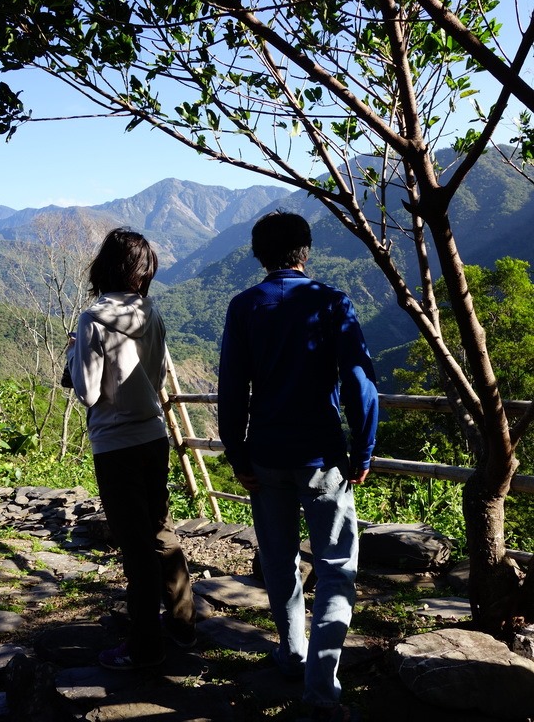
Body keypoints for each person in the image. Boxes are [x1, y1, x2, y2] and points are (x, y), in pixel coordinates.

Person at [217, 211, 378, 722]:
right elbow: (359, 384)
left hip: (265, 456)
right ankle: (321, 684)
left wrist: (238, 454)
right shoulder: (331, 303)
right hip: (321, 457)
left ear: (259, 255)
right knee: (335, 567)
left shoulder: (243, 307)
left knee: (279, 558)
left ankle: (291, 654)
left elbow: (231, 390)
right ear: (305, 250)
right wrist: (363, 451)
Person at [67, 227, 196, 670]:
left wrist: (72, 356)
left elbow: (86, 392)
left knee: (134, 546)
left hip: (115, 440)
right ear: (143, 272)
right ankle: (183, 623)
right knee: (159, 528)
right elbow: (158, 377)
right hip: (153, 436)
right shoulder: (151, 312)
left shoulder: (92, 319)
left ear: (105, 266)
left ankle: (143, 647)